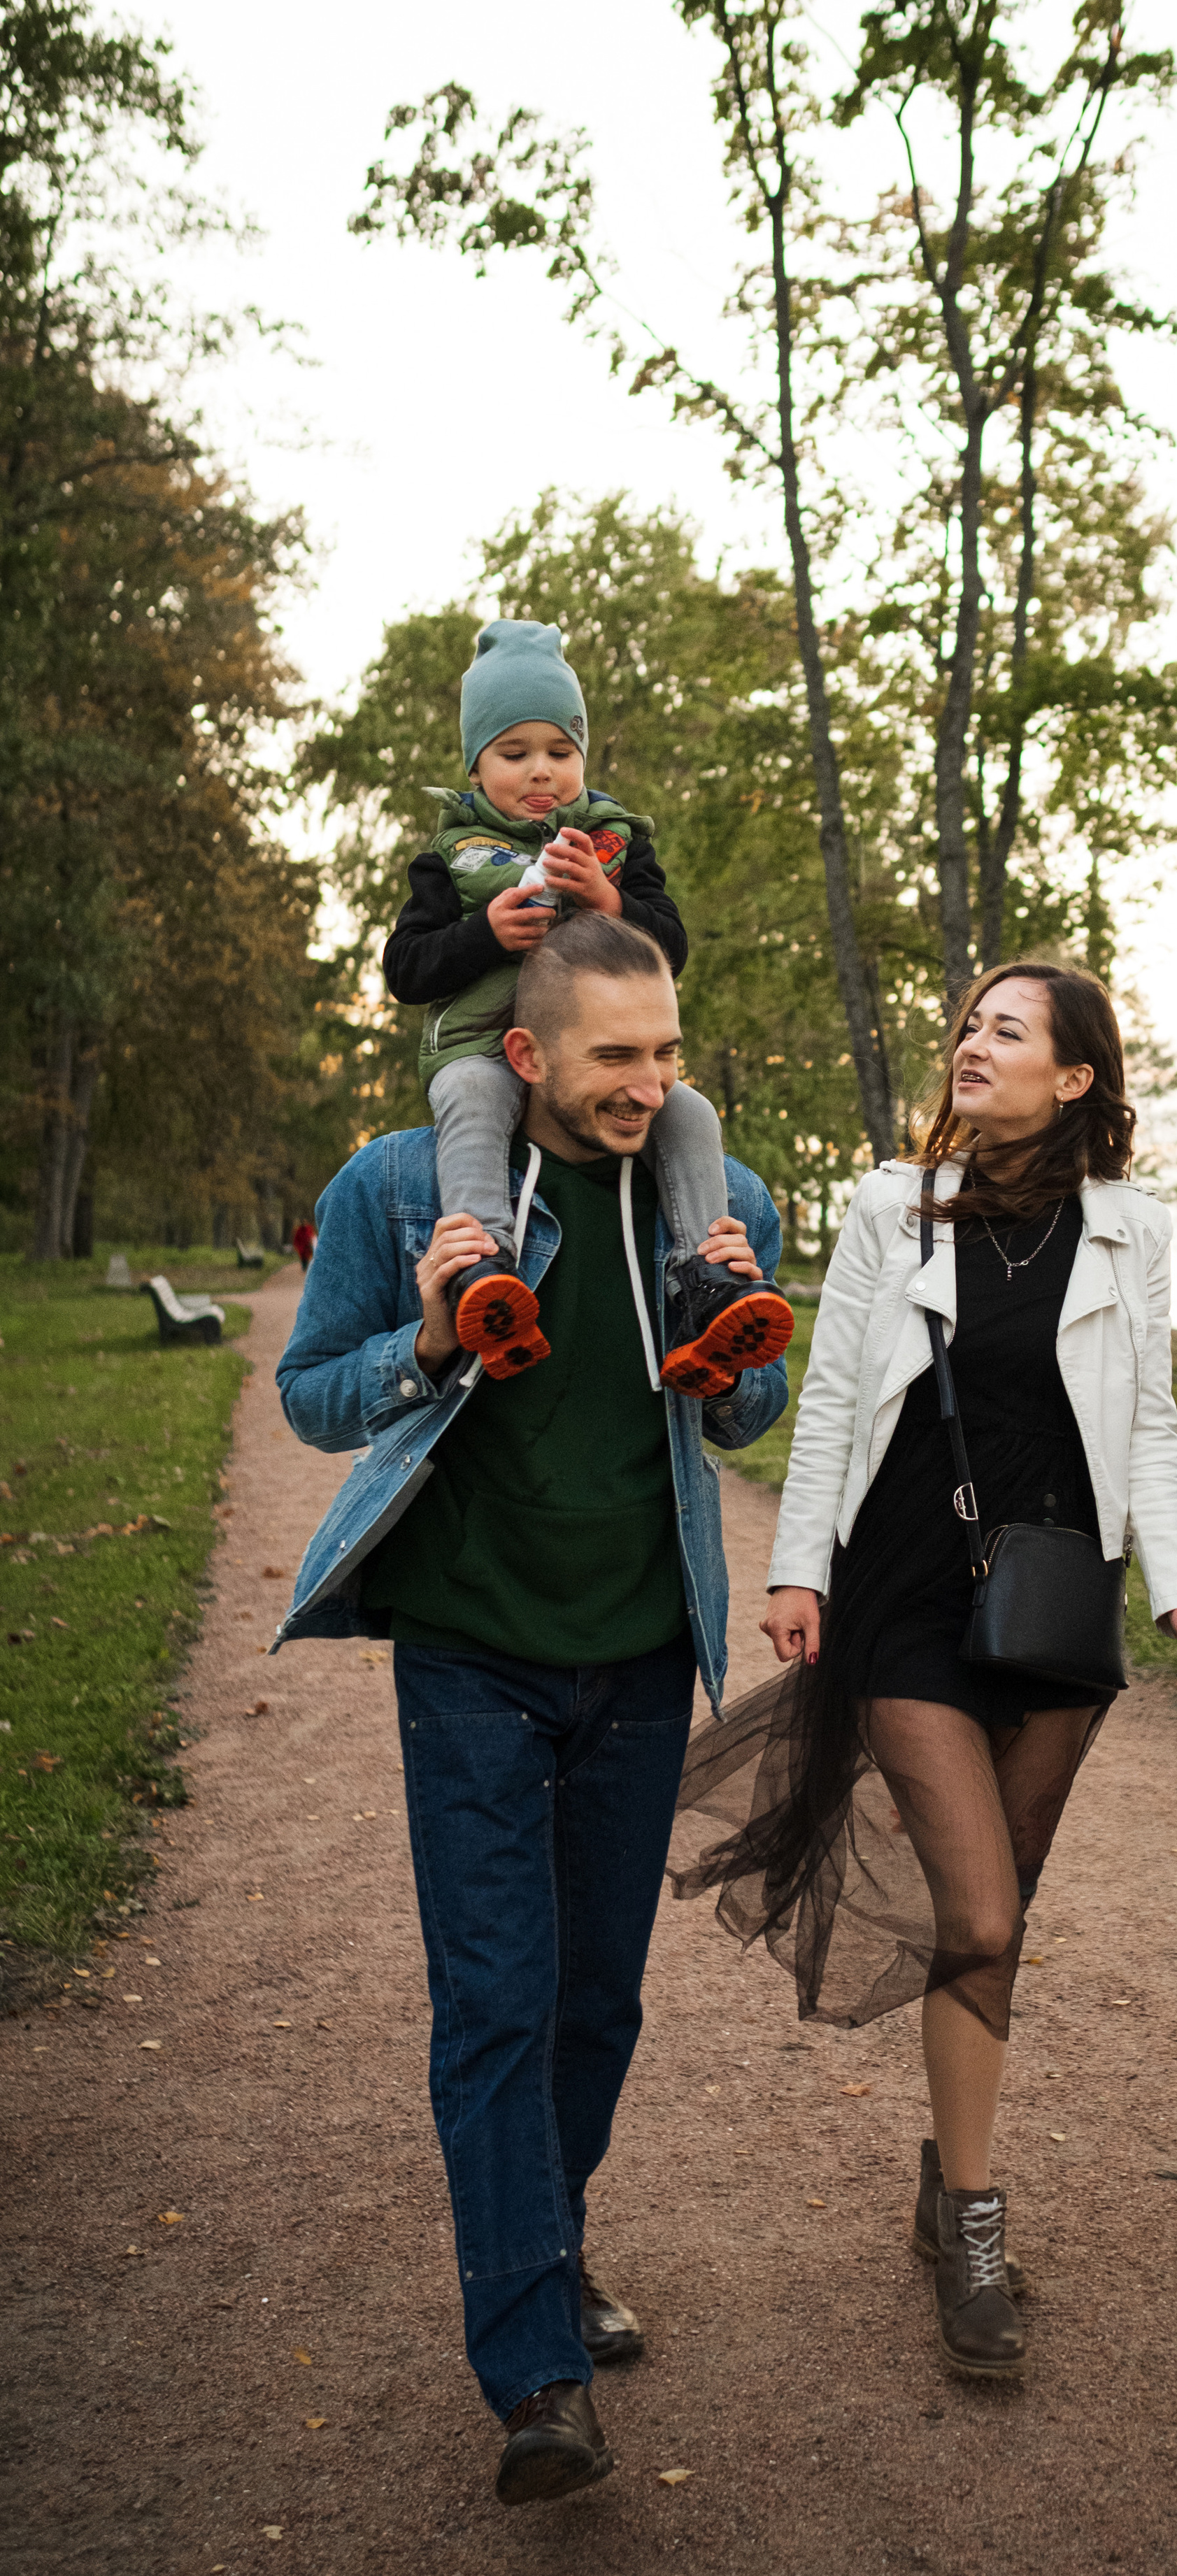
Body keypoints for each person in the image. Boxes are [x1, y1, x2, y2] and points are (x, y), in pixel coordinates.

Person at [271, 911, 789, 2507]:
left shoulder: (720, 1201)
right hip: (470, 1649)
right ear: (528, 1055)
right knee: (497, 1995)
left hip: (641, 1650)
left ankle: (541, 2249)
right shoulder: (397, 1188)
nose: (646, 1085)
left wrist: (737, 1350)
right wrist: (427, 1339)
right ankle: (534, 2374)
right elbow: (311, 1389)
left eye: (665, 1054)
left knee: (593, 2004)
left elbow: (754, 1405)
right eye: (614, 1056)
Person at [671, 961, 1177, 2384]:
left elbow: (1149, 1426)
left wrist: (1176, 1592)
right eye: (968, 1025)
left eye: (1009, 1031)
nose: (974, 1045)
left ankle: (944, 2178)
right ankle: (975, 2220)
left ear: (1076, 1078)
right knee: (974, 1906)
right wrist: (799, 1565)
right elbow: (842, 1394)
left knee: (1001, 1914)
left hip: (1053, 1602)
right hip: (906, 1592)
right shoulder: (884, 1204)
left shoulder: (1130, 1232)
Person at [382, 616, 792, 1395]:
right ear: (475, 768)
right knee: (471, 1096)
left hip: (597, 1060)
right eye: (515, 753)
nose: (542, 772)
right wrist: (485, 933)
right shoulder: (451, 854)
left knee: (692, 1113)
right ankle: (483, 1271)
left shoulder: (615, 841)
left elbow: (668, 944)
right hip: (481, 1047)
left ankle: (703, 1285)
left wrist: (606, 899)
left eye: (561, 752)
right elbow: (406, 970)